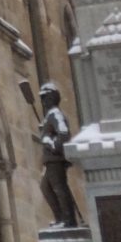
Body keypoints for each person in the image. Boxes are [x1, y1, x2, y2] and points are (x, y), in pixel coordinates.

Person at [38, 82, 80, 229]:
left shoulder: (55, 114)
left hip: (55, 159)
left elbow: (63, 133)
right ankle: (60, 218)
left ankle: (68, 220)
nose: (43, 101)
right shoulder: (50, 115)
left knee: (59, 188)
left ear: (52, 98)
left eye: (45, 97)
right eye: (42, 98)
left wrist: (50, 142)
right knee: (46, 187)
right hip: (50, 160)